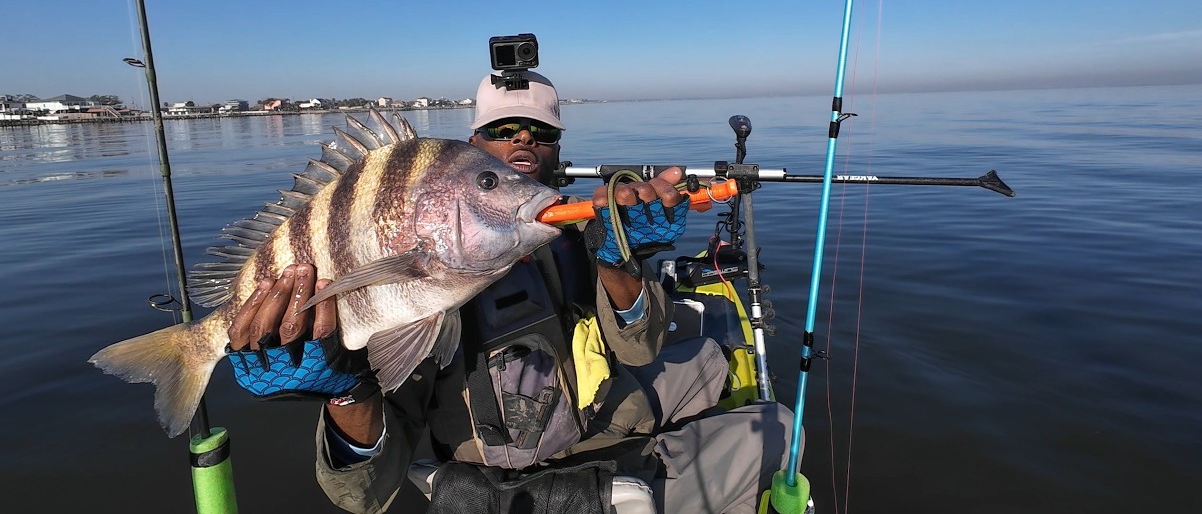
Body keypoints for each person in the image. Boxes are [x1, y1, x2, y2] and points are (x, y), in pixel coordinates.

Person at [227, 70, 799, 514]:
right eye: (501, 133)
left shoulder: (576, 228)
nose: (524, 138)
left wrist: (622, 260)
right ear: (472, 143)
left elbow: (639, 350)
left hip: (600, 422)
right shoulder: (421, 271)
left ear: (556, 149)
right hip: (497, 481)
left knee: (743, 387)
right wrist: (347, 392)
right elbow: (362, 497)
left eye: (542, 132)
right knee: (764, 421)